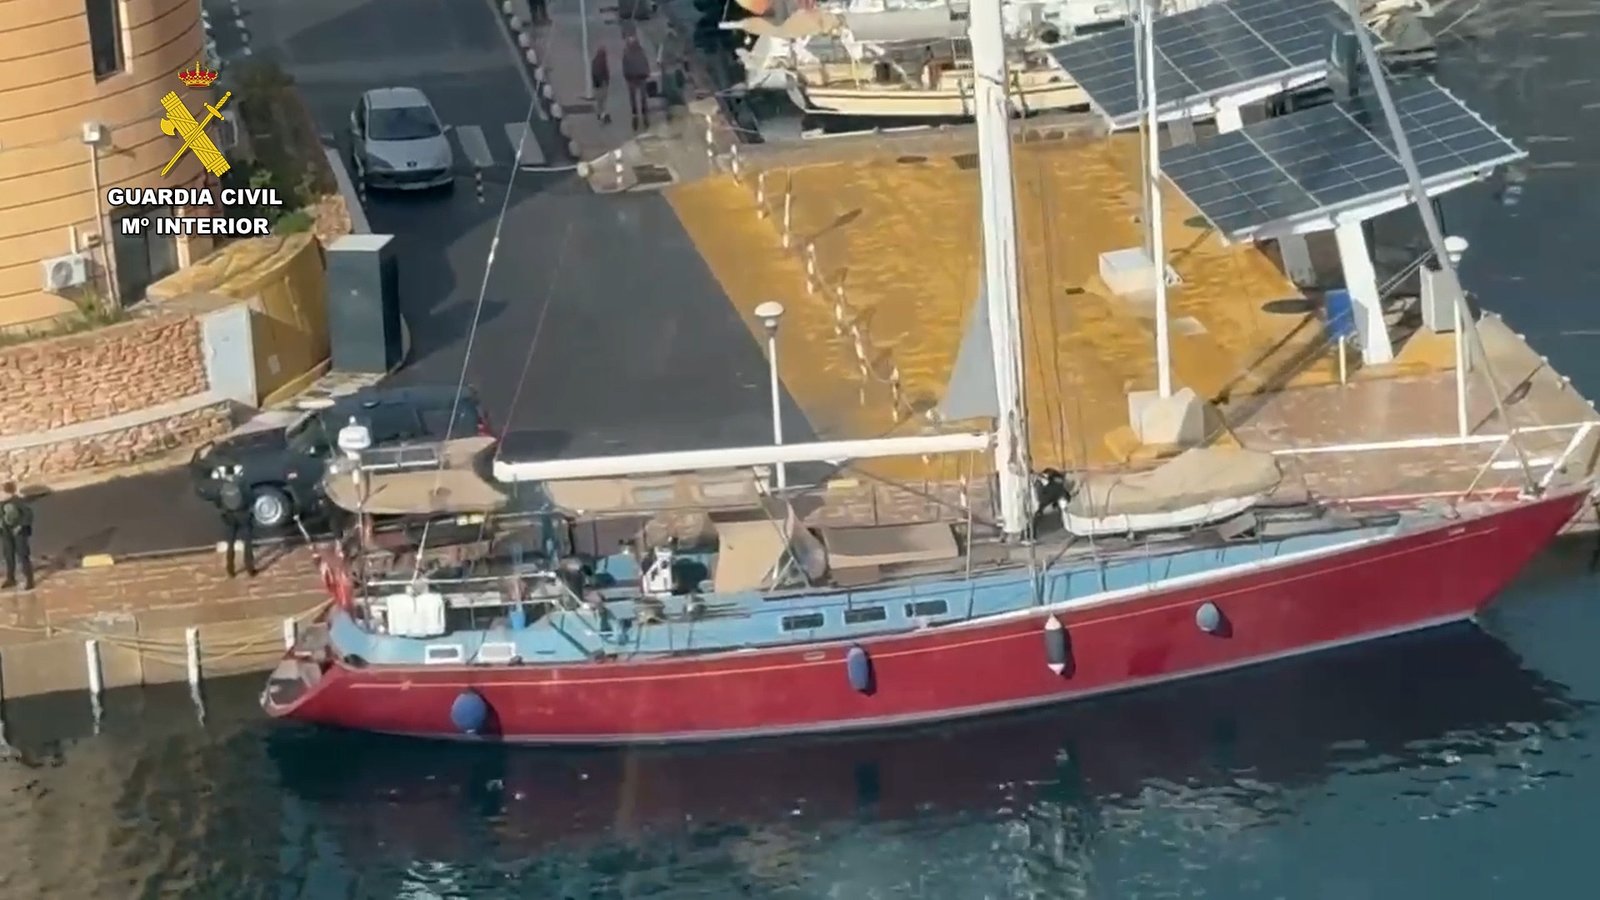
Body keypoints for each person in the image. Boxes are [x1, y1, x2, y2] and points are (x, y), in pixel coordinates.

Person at [215, 466, 256, 578]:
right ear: (234, 472)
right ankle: (250, 568)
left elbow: (218, 501)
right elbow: (250, 497)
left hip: (229, 516)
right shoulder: (241, 482)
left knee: (231, 542)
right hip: (243, 514)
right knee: (247, 542)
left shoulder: (221, 485)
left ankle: (230, 569)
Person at [0, 481, 33, 591]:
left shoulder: (17, 501)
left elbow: (28, 514)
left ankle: (29, 580)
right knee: (8, 556)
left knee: (23, 555)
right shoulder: (1, 503)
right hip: (6, 532)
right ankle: (11, 578)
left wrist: (21, 526)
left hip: (19, 532)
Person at [621, 33, 652, 131]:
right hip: (636, 77)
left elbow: (626, 65)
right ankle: (639, 115)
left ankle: (639, 114)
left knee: (639, 97)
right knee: (638, 97)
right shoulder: (637, 52)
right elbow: (645, 62)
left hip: (635, 77)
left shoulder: (631, 52)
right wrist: (647, 72)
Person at [590, 45, 612, 125]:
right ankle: (603, 116)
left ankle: (600, 114)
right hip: (602, 84)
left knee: (599, 101)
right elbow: (605, 73)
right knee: (603, 101)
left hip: (596, 85)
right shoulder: (603, 62)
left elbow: (593, 73)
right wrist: (606, 81)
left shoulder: (594, 61)